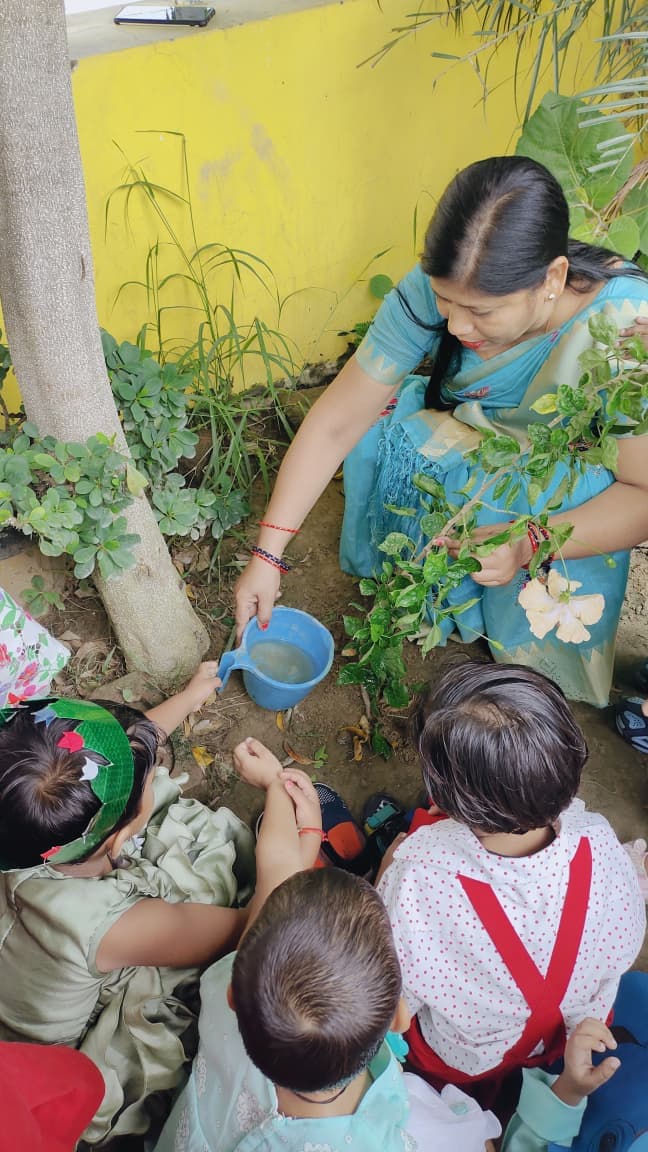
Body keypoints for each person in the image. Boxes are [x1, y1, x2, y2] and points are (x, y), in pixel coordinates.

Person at [234, 155, 648, 707]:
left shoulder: (626, 337)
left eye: (481, 311)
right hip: (476, 427)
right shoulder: (442, 288)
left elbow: (642, 496)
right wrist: (267, 556)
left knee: (555, 501)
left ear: (551, 278)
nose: (455, 325)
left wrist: (529, 543)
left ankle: (523, 648)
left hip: (566, 482)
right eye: (446, 302)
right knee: (377, 429)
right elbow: (336, 421)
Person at [155, 736, 500, 1152]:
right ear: (398, 1019)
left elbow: (278, 868)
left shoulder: (237, 1002)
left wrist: (276, 788)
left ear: (232, 994)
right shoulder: (391, 1138)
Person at [0, 666, 256, 1145]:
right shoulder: (107, 925)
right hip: (51, 1060)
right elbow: (249, 928)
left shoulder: (18, 819)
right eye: (147, 787)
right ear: (118, 836)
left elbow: (101, 762)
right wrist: (292, 830)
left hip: (11, 1023)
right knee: (208, 880)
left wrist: (188, 696)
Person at [376, 661, 645, 1093]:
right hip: (567, 1035)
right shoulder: (598, 839)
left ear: (445, 798)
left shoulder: (417, 873)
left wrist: (391, 865)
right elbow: (621, 948)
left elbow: (395, 991)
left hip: (462, 1057)